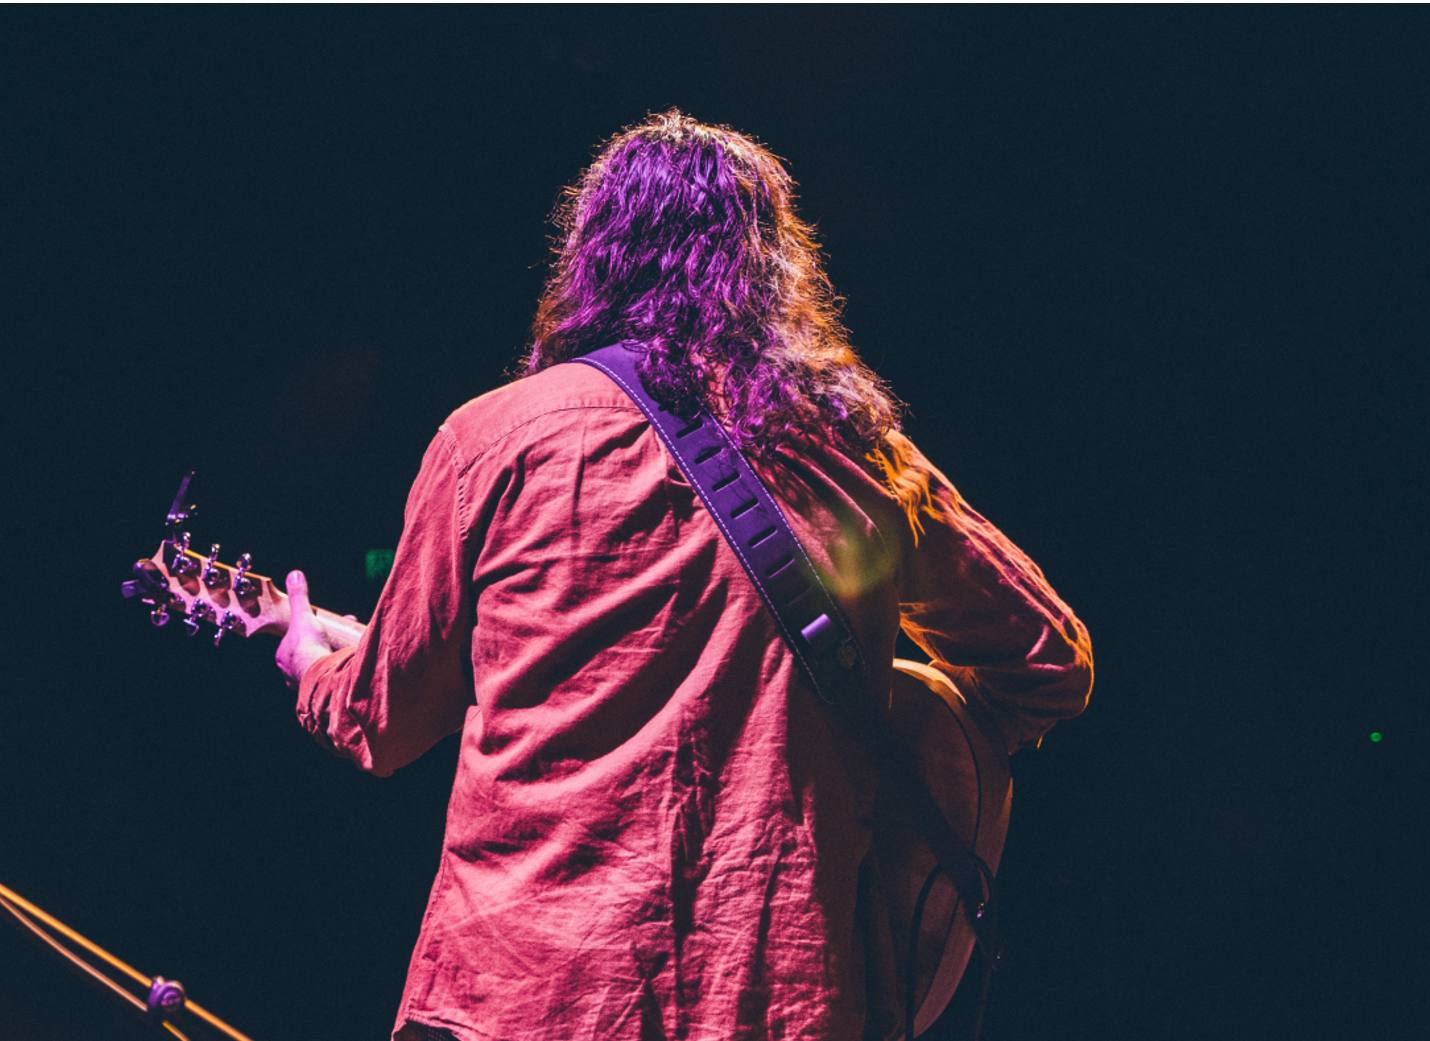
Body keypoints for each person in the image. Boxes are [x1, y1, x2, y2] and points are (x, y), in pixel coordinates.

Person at [276, 111, 1093, 1041]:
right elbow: (1050, 660)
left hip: (525, 998)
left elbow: (380, 722)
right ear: (775, 273)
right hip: (773, 1003)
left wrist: (314, 663)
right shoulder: (854, 454)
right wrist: (894, 741)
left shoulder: (493, 439)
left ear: (592, 258)